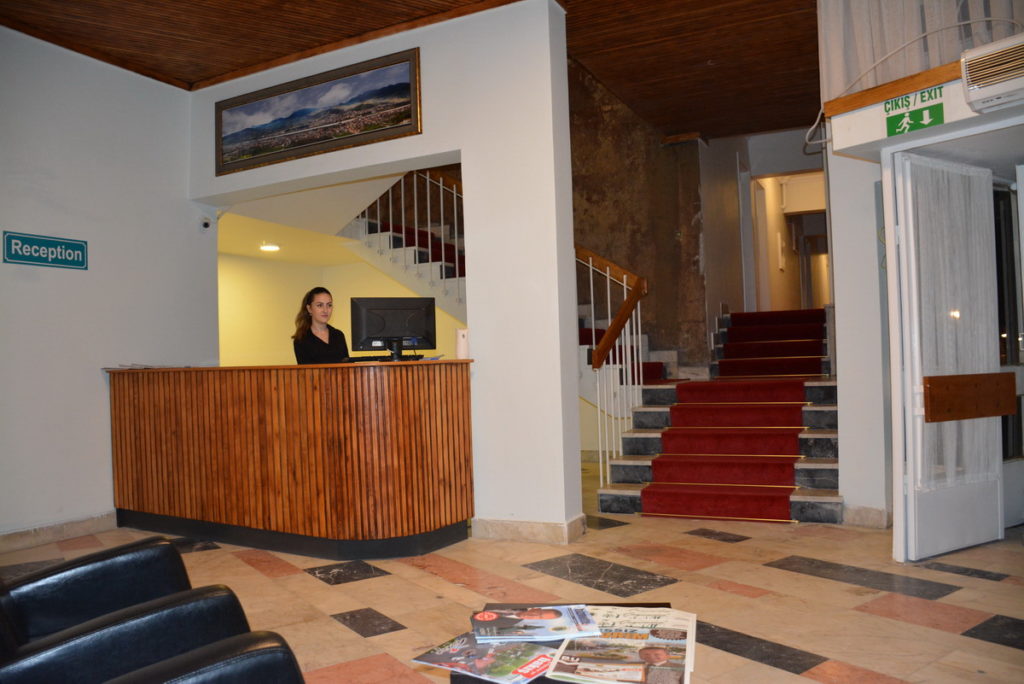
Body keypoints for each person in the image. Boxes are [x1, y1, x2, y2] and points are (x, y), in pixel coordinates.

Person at [292, 286, 349, 364]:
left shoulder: (338, 335)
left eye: (329, 305)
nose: (325, 310)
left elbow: (348, 366)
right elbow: (305, 370)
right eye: (320, 305)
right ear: (309, 308)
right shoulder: (301, 339)